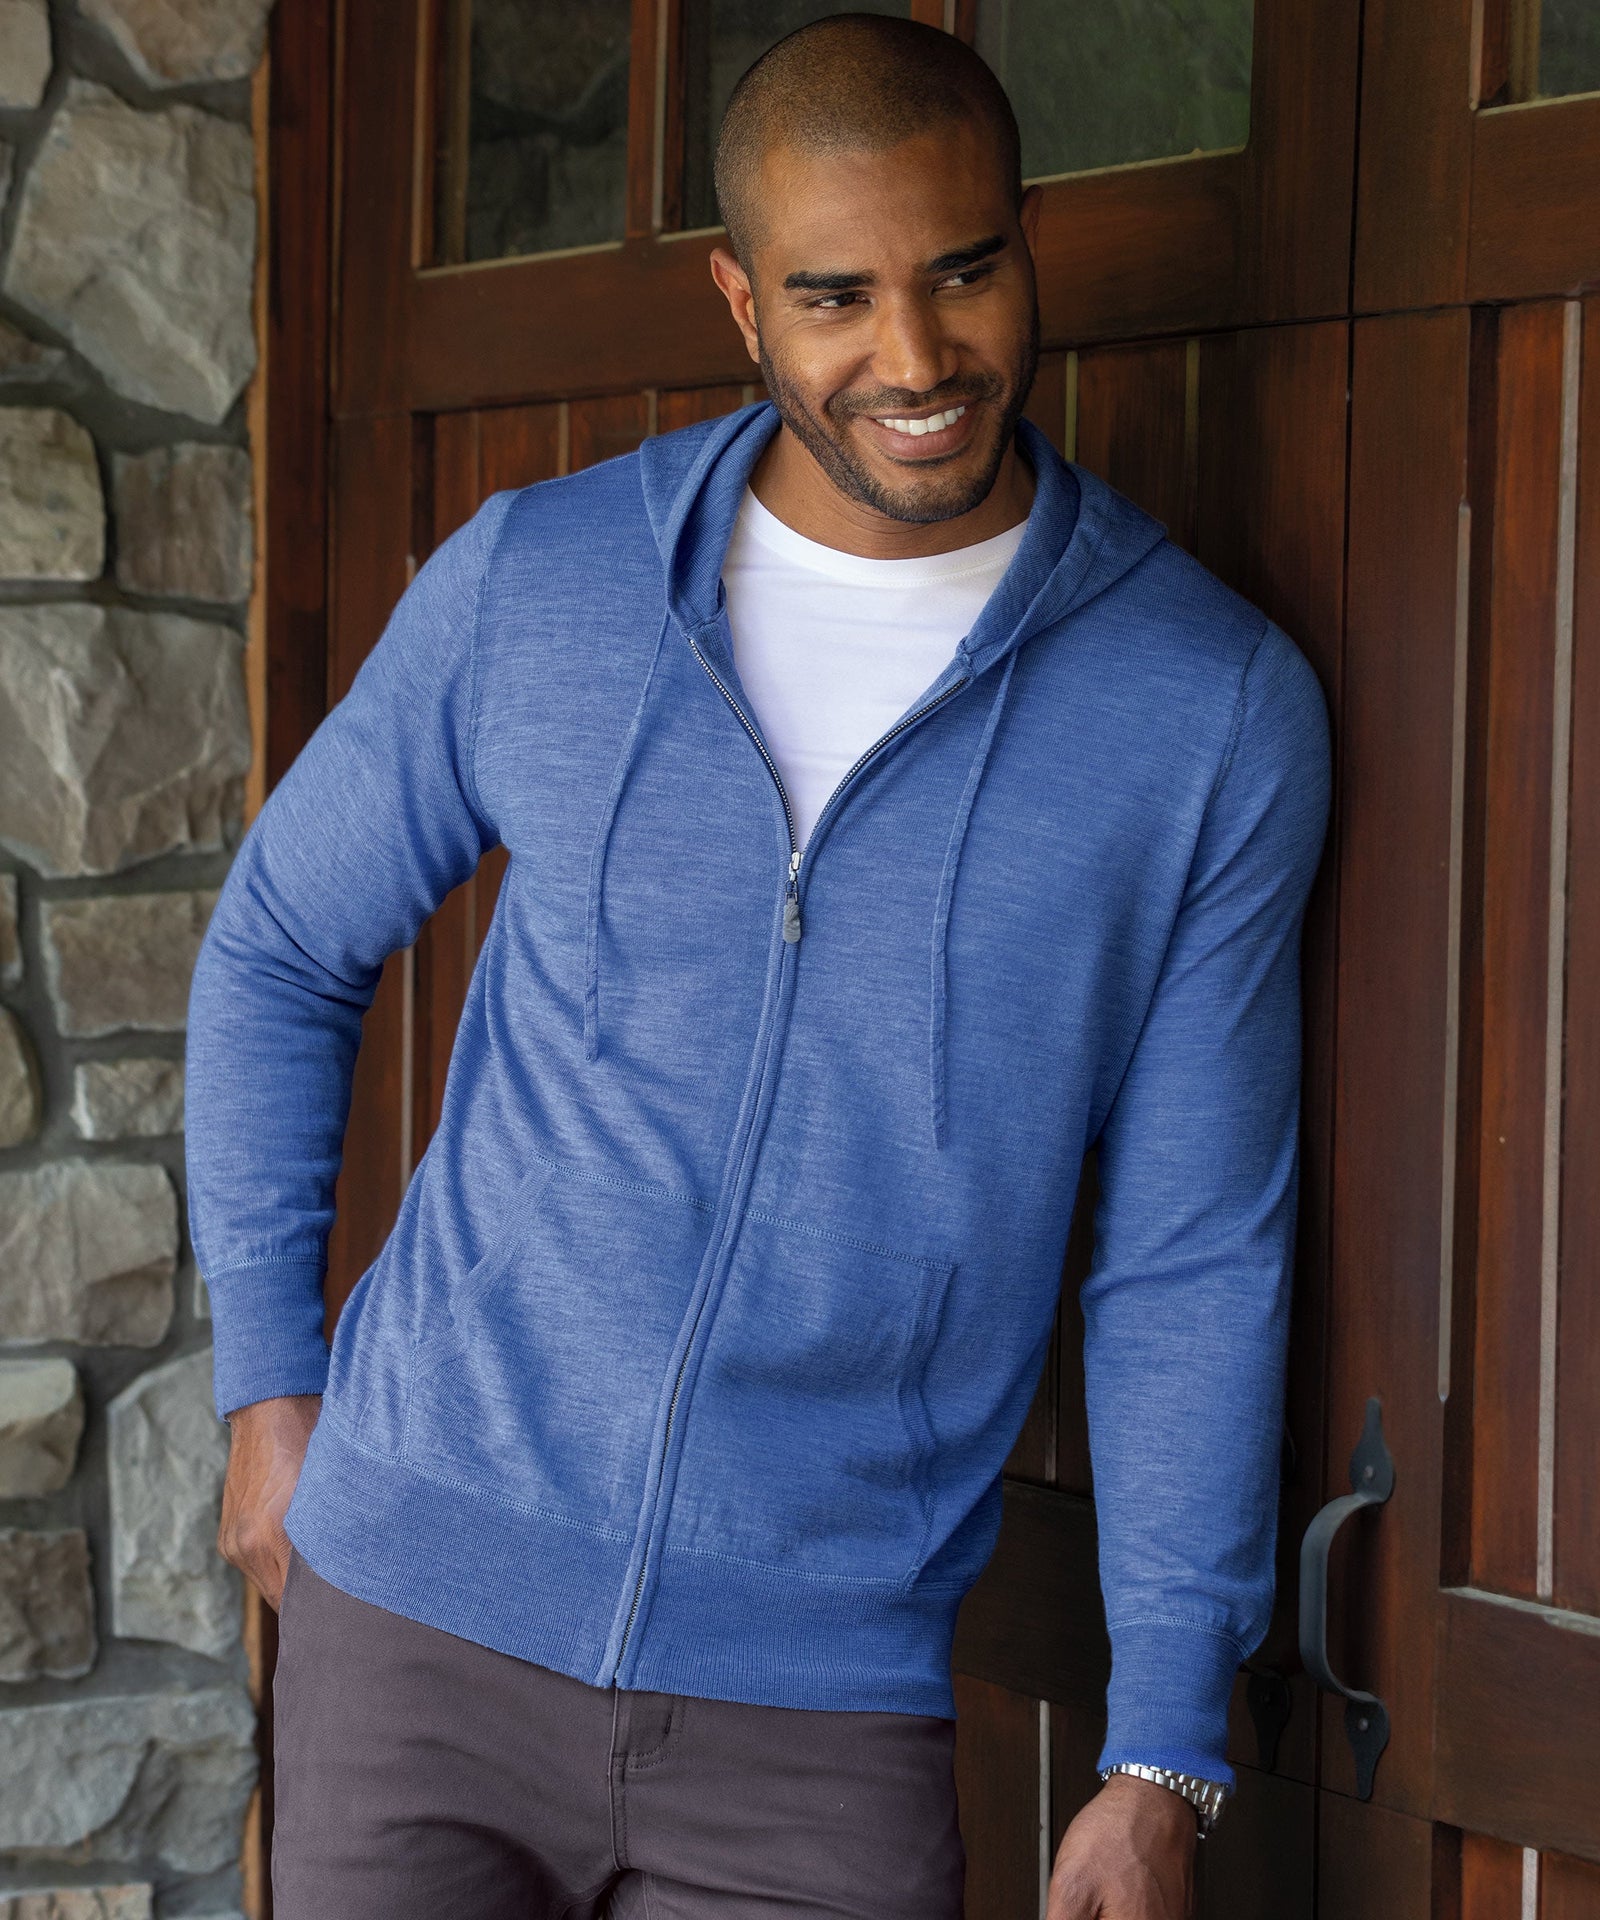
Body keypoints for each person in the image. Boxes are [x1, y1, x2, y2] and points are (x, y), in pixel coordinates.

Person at [186, 15, 1331, 1920]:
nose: (916, 356)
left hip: (817, 1717)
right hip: (413, 1628)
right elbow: (280, 947)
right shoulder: (540, 582)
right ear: (740, 301)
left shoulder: (1206, 711)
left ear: (1030, 241)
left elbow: (1194, 1249)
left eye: (962, 271)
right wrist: (265, 1388)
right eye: (835, 296)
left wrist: (1161, 1746)